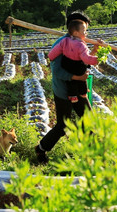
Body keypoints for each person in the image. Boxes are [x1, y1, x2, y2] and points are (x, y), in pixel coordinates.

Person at [35, 12, 101, 164]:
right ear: (74, 27)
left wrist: (96, 50)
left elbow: (84, 61)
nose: (87, 32)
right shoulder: (62, 43)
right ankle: (41, 149)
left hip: (78, 89)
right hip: (64, 91)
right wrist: (79, 78)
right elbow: (57, 71)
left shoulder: (78, 42)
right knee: (63, 125)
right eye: (85, 29)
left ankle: (91, 155)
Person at [48, 19, 99, 104]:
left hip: (67, 65)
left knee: (71, 83)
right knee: (82, 79)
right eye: (84, 31)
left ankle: (73, 96)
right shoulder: (81, 45)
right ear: (76, 33)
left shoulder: (65, 41)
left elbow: (55, 51)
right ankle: (83, 93)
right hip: (77, 67)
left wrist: (50, 56)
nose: (86, 33)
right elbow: (86, 58)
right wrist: (96, 60)